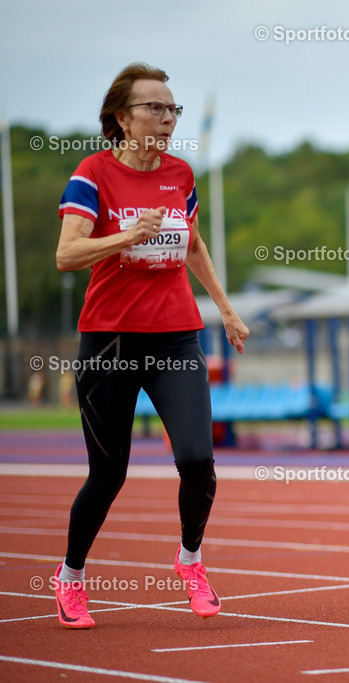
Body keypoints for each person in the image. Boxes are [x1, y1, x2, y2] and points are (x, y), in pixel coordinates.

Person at [53, 62, 249, 629]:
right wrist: (127, 237)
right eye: (155, 109)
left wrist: (227, 310)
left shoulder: (180, 175)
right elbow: (67, 254)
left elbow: (192, 246)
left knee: (198, 460)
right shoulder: (93, 174)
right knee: (108, 473)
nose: (166, 119)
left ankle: (190, 560)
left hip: (176, 336)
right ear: (122, 117)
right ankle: (70, 577)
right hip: (110, 339)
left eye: (172, 110)